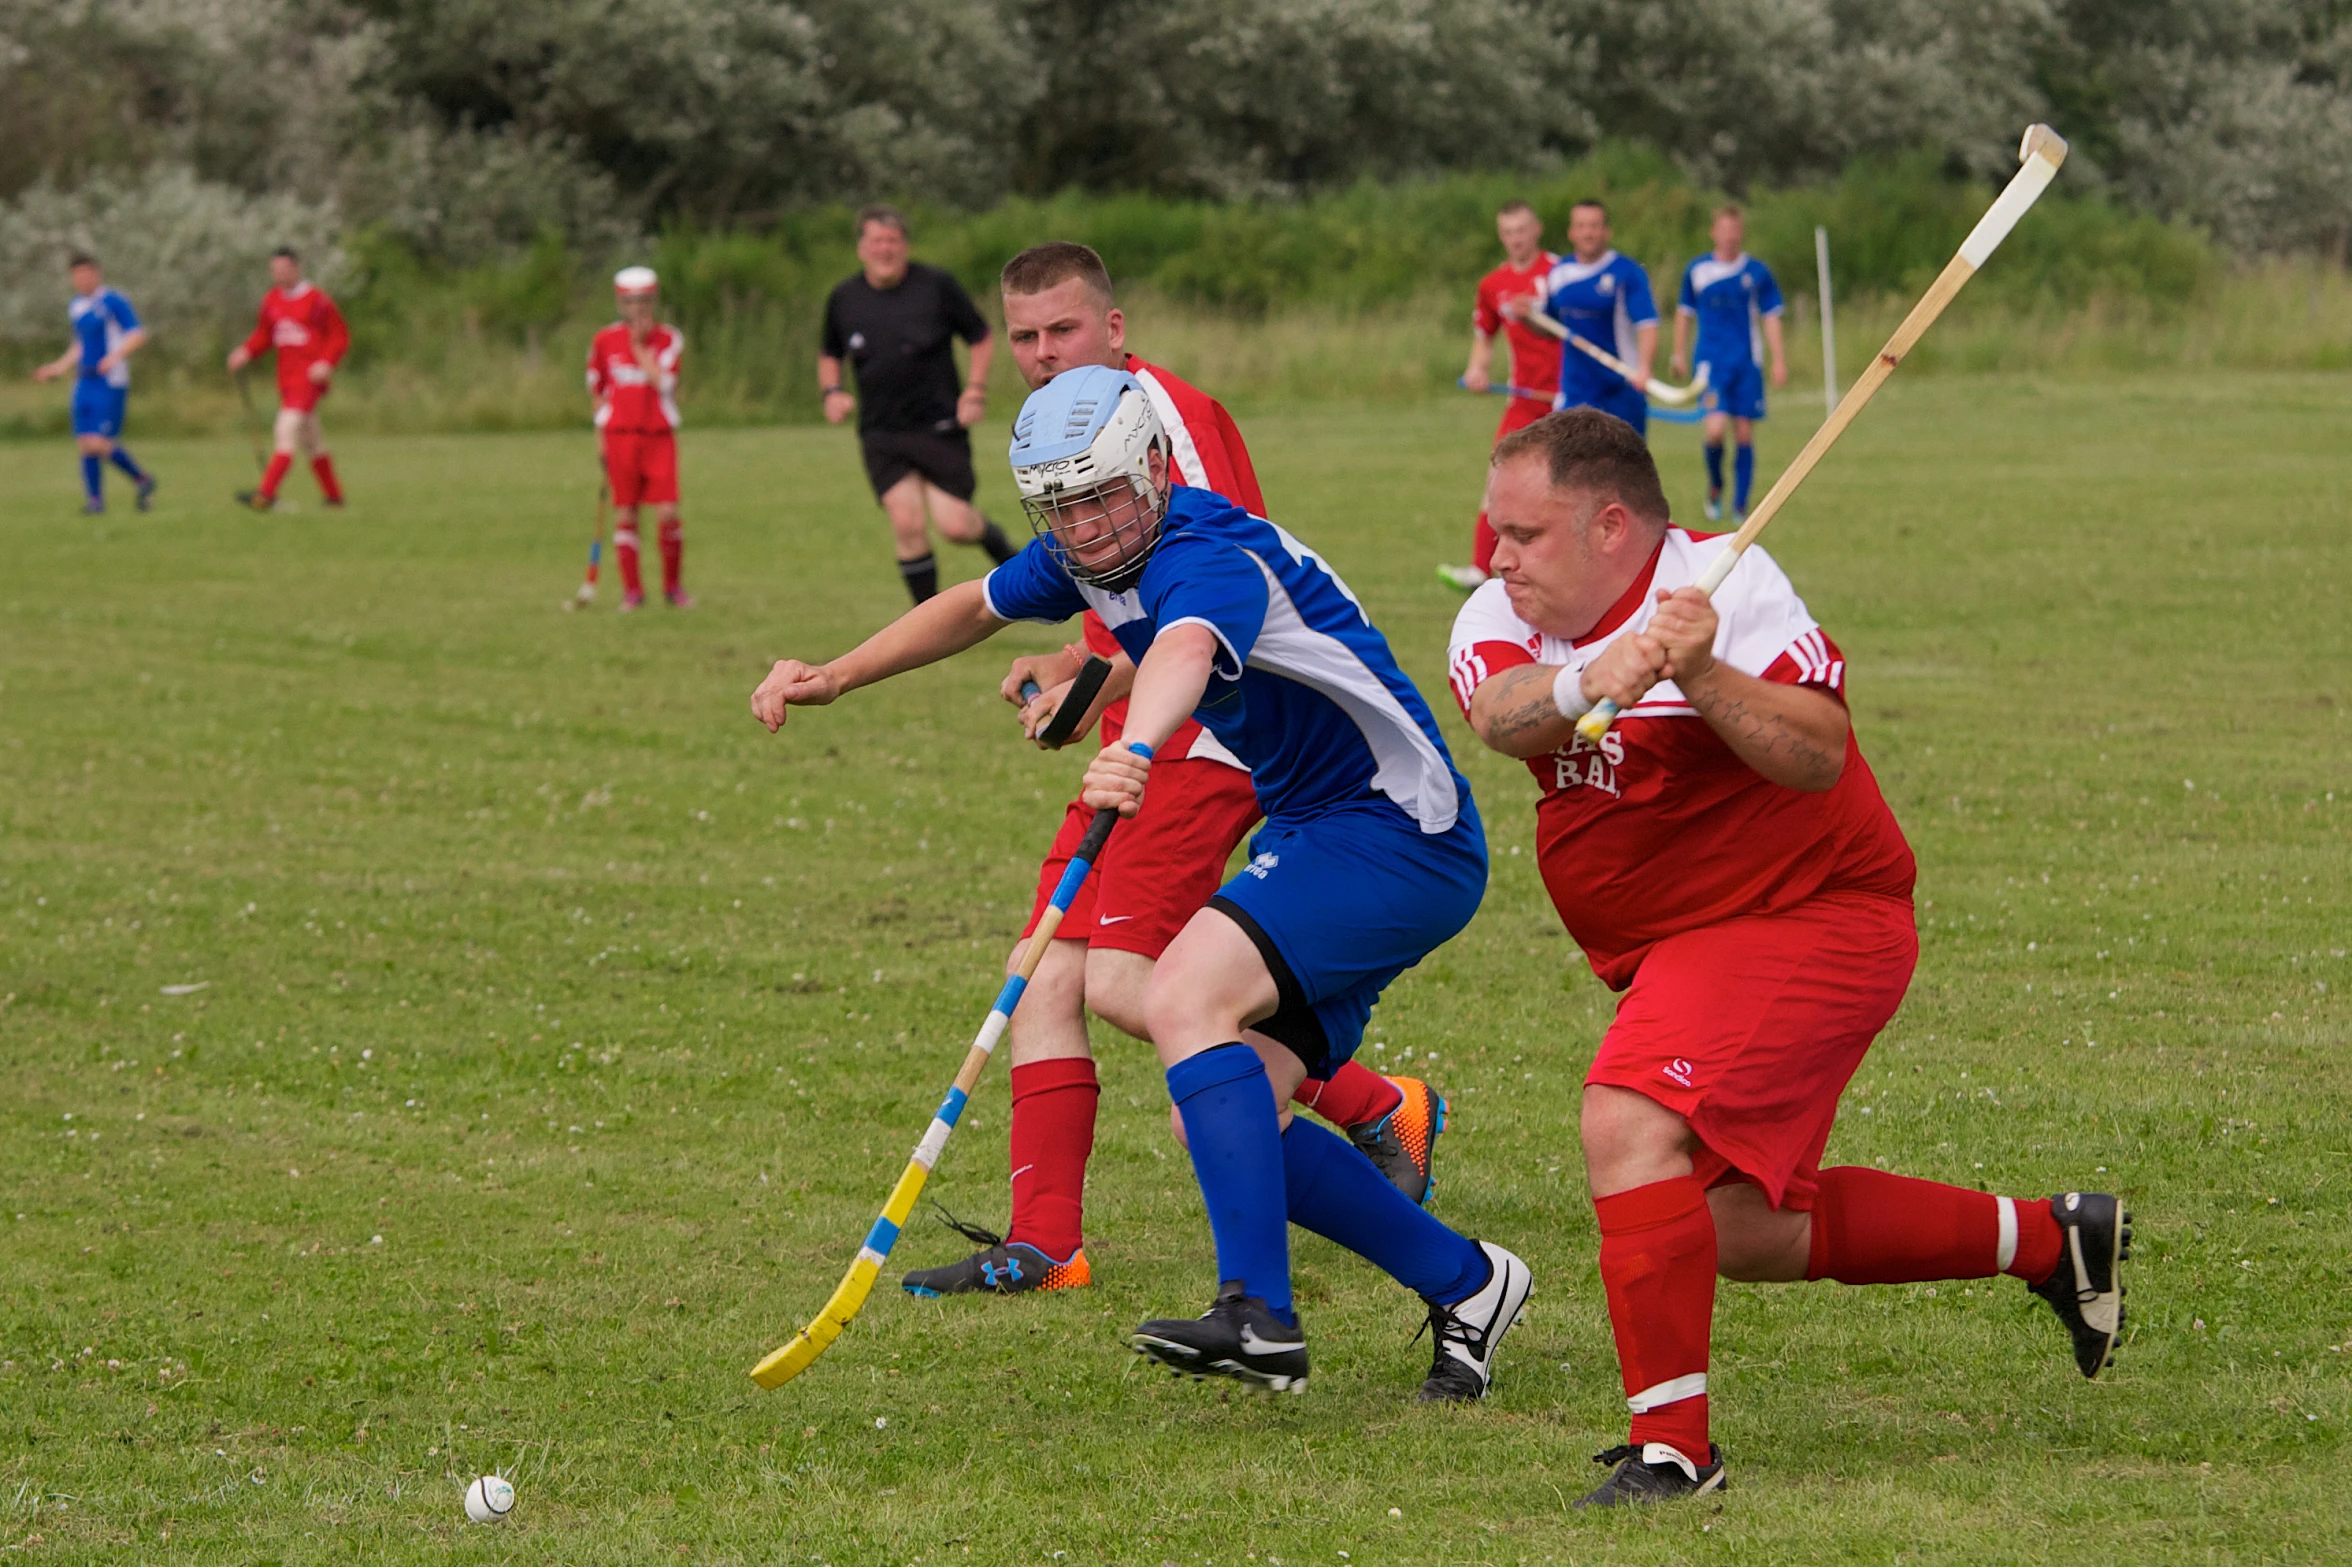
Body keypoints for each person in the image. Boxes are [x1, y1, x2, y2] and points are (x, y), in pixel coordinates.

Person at [752, 364, 1532, 1401]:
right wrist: (835, 674)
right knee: (1230, 1104)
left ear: (1155, 470)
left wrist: (1142, 745)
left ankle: (1256, 1311)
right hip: (1329, 828)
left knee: (1176, 993)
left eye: (1104, 494)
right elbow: (973, 605)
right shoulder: (1087, 550)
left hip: (1397, 829)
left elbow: (1184, 647)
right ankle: (1471, 1281)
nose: (1088, 524)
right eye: (1062, 507)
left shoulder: (1205, 549)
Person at [1445, 409, 2129, 1505]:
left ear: (1612, 525)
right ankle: (2050, 1240)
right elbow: (1497, 714)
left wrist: (1704, 672)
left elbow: (1817, 755)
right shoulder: (1503, 615)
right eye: (1496, 530)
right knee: (1736, 1229)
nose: (1498, 557)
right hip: (1675, 944)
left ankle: (1674, 1451)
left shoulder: (1733, 585)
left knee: (1626, 1120)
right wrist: (1598, 673)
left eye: (1524, 533)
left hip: (1812, 911)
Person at [896, 242, 1450, 1301]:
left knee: (1119, 978)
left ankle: (1372, 1103)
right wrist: (1080, 669)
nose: (1043, 353)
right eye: (1023, 336)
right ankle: (1046, 1240)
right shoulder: (1057, 436)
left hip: (1203, 737)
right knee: (1047, 962)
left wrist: (1106, 689)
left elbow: (1210, 594)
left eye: (1063, 330)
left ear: (1113, 326)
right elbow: (1106, 595)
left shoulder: (1161, 416)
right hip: (1140, 727)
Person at [820, 206, 1018, 604]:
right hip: (881, 432)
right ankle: (924, 622)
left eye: (892, 241)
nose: (884, 249)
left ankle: (1008, 557)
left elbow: (980, 336)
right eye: (876, 241)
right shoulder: (844, 298)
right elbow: (829, 352)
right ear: (862, 248)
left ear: (904, 245)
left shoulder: (936, 286)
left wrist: (975, 390)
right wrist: (832, 392)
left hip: (939, 426)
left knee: (957, 526)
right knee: (906, 523)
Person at [1437, 201, 1559, 593]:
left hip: (1568, 398)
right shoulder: (1493, 285)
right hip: (1523, 400)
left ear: (1536, 230)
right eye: (1507, 232)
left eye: (1521, 230)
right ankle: (1479, 569)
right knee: (1499, 480)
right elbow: (1484, 338)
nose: (1515, 239)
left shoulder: (1560, 274)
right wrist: (1478, 370)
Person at [1672, 205, 1787, 523]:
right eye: (1724, 229)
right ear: (1713, 233)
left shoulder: (1757, 273)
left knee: (1745, 433)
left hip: (1746, 363)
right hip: (1711, 364)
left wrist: (1778, 360)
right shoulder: (1697, 271)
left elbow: (1771, 316)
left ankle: (1740, 504)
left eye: (1735, 230)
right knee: (1715, 430)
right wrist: (1678, 353)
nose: (1730, 236)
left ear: (1741, 233)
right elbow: (1684, 313)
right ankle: (1716, 485)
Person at [585, 266, 691, 610]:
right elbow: (598, 392)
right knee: (626, 513)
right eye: (630, 302)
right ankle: (633, 592)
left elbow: (663, 382)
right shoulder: (603, 340)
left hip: (658, 435)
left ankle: (673, 588)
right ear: (620, 302)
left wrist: (639, 346)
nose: (638, 309)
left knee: (668, 512)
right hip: (620, 436)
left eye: (644, 301)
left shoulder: (668, 338)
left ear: (654, 301)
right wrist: (600, 438)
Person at [1511, 201, 1657, 437]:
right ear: (1571, 232)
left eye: (1594, 226)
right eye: (1581, 226)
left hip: (1621, 388)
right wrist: (1527, 317)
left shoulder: (1627, 272)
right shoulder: (1559, 273)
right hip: (1576, 391)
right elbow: (1550, 327)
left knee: (1622, 471)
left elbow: (1647, 325)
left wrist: (1645, 368)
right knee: (1571, 469)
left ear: (1606, 231)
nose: (1587, 233)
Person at [226, 246, 349, 511]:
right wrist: (245, 351)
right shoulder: (271, 301)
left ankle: (265, 494)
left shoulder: (317, 300)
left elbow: (339, 335)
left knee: (285, 430)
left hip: (308, 380)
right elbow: (265, 335)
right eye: (274, 270)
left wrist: (326, 362)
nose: (278, 275)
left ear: (296, 268)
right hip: (287, 379)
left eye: (283, 269)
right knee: (312, 440)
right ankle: (334, 498)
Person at [32, 253, 156, 515]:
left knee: (98, 441)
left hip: (110, 380)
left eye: (87, 273)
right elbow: (80, 344)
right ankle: (95, 502)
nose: (82, 279)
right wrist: (58, 367)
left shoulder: (113, 301)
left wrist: (114, 357)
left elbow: (137, 334)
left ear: (97, 274)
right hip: (84, 380)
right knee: (85, 443)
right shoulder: (76, 305)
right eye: (77, 275)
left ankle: (142, 479)